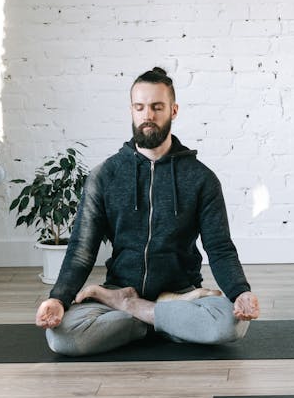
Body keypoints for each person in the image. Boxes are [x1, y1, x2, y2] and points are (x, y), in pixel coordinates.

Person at [35, 67, 259, 355]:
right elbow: (81, 249)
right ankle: (163, 321)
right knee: (62, 337)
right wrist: (58, 299)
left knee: (231, 324)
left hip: (180, 294)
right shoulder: (106, 175)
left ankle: (134, 310)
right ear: (131, 110)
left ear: (173, 111)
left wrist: (241, 292)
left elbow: (219, 247)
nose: (148, 116)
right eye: (140, 108)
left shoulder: (200, 178)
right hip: (119, 288)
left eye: (157, 107)